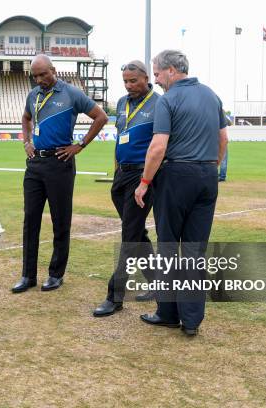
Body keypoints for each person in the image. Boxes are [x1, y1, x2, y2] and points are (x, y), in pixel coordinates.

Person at [134, 50, 228, 336]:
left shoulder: (169, 100)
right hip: (206, 177)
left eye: (158, 74)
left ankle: (167, 313)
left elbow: (158, 147)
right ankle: (191, 320)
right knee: (194, 250)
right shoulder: (212, 96)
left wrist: (144, 183)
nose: (157, 80)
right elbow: (223, 139)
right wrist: (212, 165)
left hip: (176, 177)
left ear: (172, 71)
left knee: (168, 246)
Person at [12, 54, 108, 293]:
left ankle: (56, 274)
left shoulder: (71, 93)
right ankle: (28, 275)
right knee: (30, 220)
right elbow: (26, 118)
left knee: (60, 221)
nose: (39, 80)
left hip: (60, 163)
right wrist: (26, 142)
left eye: (43, 74)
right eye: (35, 76)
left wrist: (80, 144)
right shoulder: (32, 95)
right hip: (35, 164)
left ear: (54, 71)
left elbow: (101, 117)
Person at [93, 60, 160, 317]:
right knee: (136, 232)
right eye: (125, 81)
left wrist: (146, 179)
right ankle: (158, 282)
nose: (129, 86)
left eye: (134, 81)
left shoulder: (159, 103)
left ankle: (114, 296)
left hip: (142, 178)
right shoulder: (121, 103)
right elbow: (121, 137)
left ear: (146, 78)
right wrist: (116, 170)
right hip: (121, 175)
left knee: (129, 237)